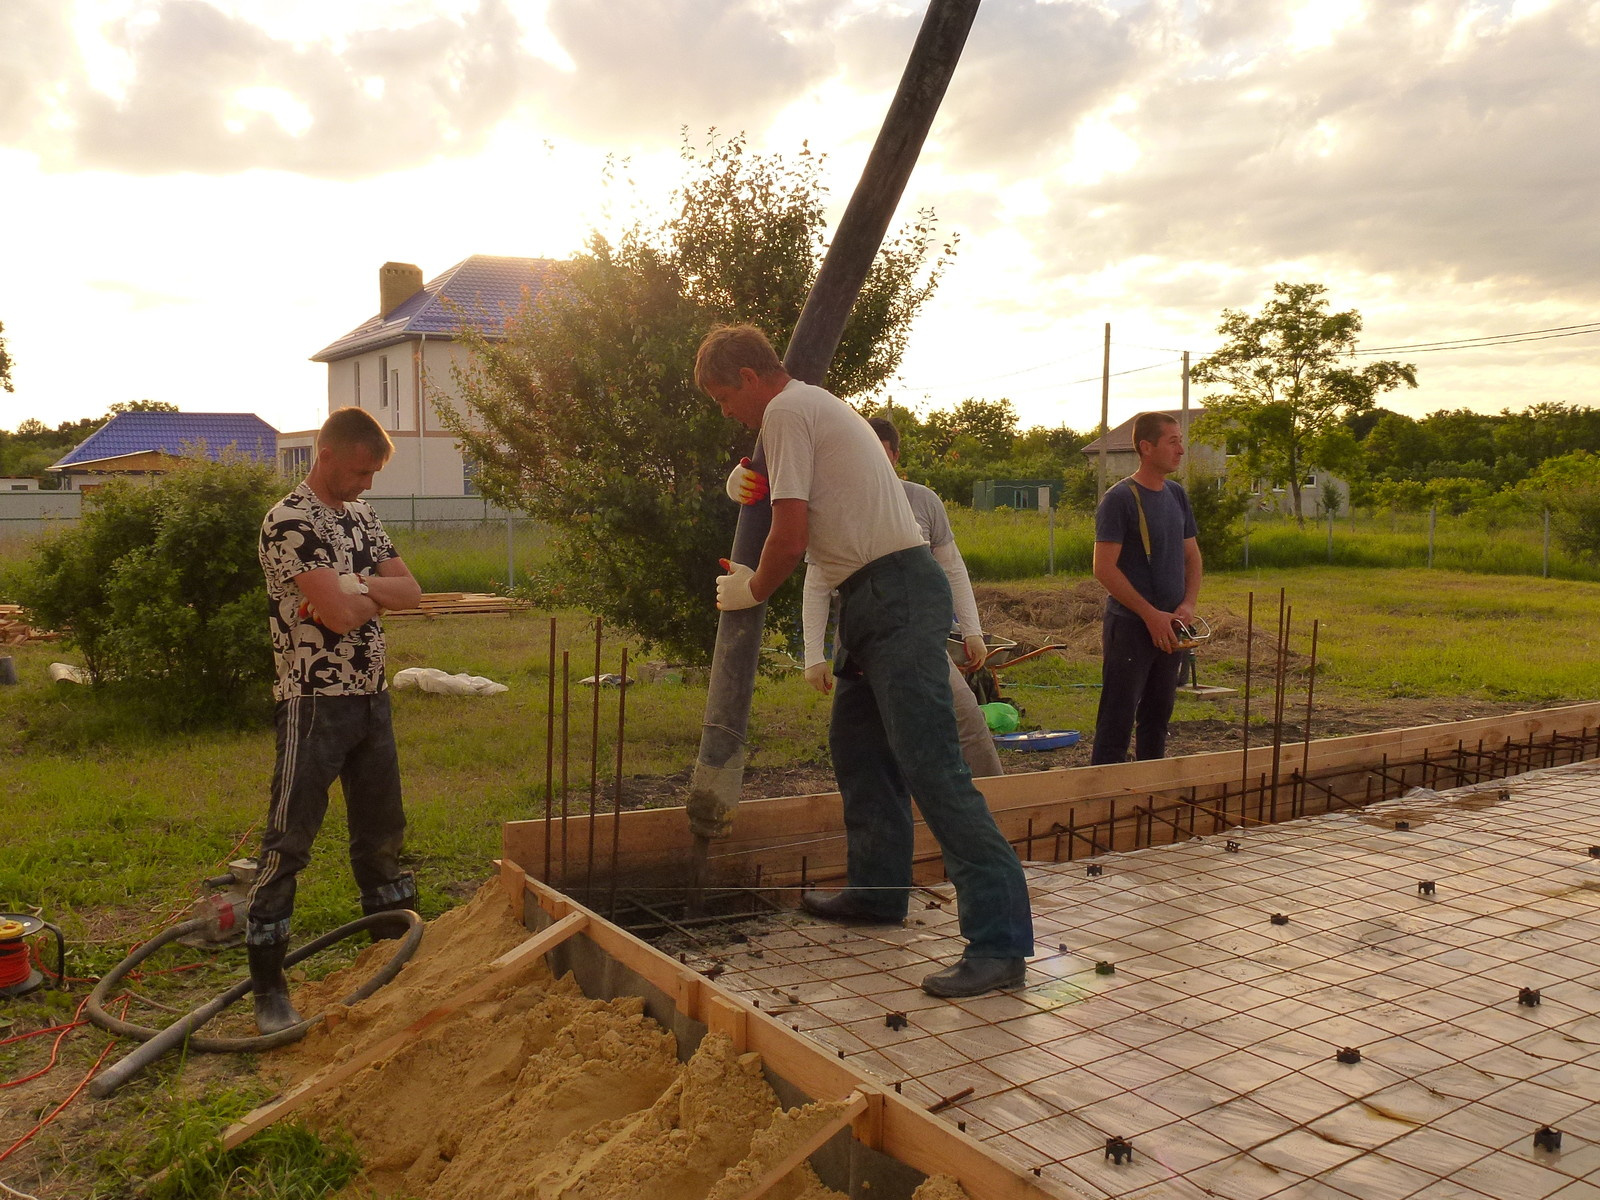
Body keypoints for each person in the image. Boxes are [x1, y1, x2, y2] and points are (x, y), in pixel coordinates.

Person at [699, 324, 1033, 998]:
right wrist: (752, 479)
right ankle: (878, 892)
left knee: (933, 767)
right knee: (858, 746)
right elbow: (817, 497)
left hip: (896, 593)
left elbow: (791, 536)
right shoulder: (804, 409)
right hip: (872, 595)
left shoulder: (787, 410)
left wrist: (753, 589)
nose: (728, 414)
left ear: (749, 378)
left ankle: (1000, 945)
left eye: (724, 399)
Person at [248, 406, 423, 1034]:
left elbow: (412, 592)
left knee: (381, 835)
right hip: (313, 700)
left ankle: (391, 958)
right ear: (326, 455)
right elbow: (344, 617)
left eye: (373, 474)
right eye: (359, 471)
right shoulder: (288, 522)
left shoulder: (362, 516)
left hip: (372, 695)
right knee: (289, 841)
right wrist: (367, 593)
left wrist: (352, 587)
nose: (366, 483)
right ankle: (269, 989)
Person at [788, 415, 1003, 780]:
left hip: (917, 634)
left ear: (895, 456)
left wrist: (972, 630)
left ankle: (999, 797)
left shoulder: (922, 500)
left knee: (964, 716)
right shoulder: (835, 505)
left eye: (880, 453)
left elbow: (952, 568)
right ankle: (883, 804)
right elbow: (817, 583)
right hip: (860, 641)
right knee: (862, 738)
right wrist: (813, 657)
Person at [1089, 412, 1203, 765]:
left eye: (1181, 441)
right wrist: (1149, 615)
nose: (1181, 450)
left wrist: (1187, 605)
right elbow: (1103, 569)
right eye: (1173, 442)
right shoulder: (1120, 499)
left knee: (1157, 719)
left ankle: (1150, 790)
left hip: (1171, 627)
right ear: (1146, 447)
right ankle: (1106, 791)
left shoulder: (1176, 495)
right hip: (1130, 628)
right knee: (1117, 720)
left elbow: (1192, 557)